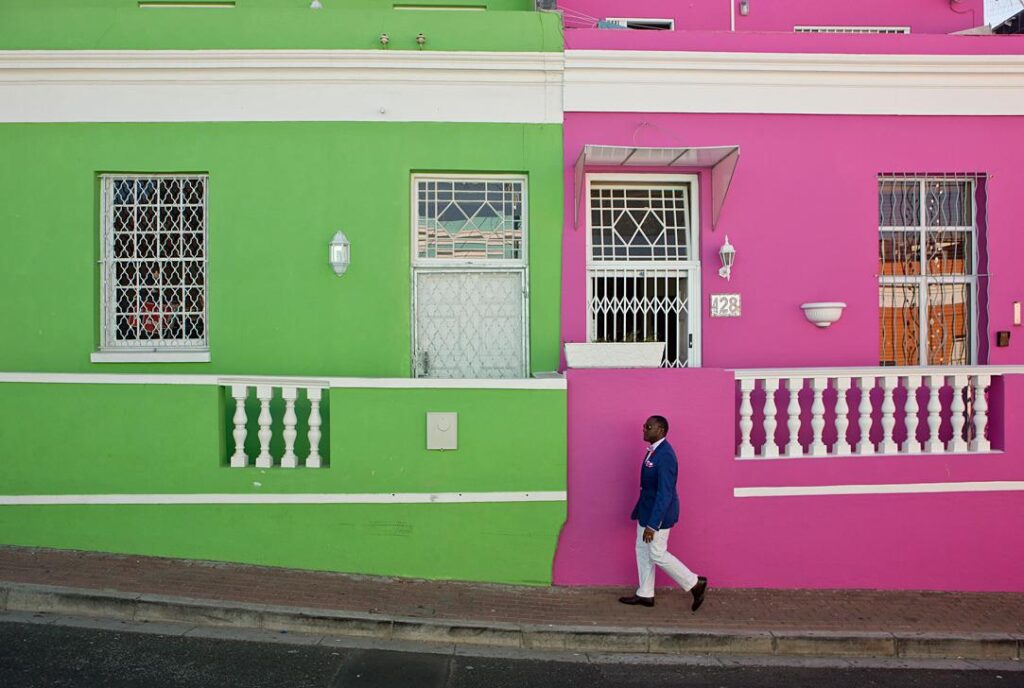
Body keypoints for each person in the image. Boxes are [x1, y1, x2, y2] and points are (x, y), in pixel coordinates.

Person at [618, 415, 708, 611]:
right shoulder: (653, 451)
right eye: (644, 426)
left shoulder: (666, 455)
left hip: (658, 515)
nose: (644, 429)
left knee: (657, 553)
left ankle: (694, 583)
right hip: (646, 510)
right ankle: (645, 593)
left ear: (660, 430)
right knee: (642, 551)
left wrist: (653, 524)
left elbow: (665, 493)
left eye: (648, 427)